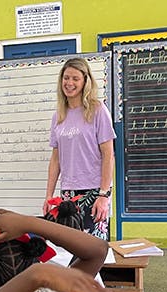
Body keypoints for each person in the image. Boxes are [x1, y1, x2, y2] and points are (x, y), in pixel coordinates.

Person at [45, 57, 116, 240]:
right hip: (68, 193)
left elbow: (108, 155)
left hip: (94, 191)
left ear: (85, 81)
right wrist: (49, 195)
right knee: (70, 249)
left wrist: (104, 195)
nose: (69, 83)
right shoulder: (58, 115)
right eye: (66, 78)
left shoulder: (98, 110)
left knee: (94, 249)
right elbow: (56, 159)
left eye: (75, 79)